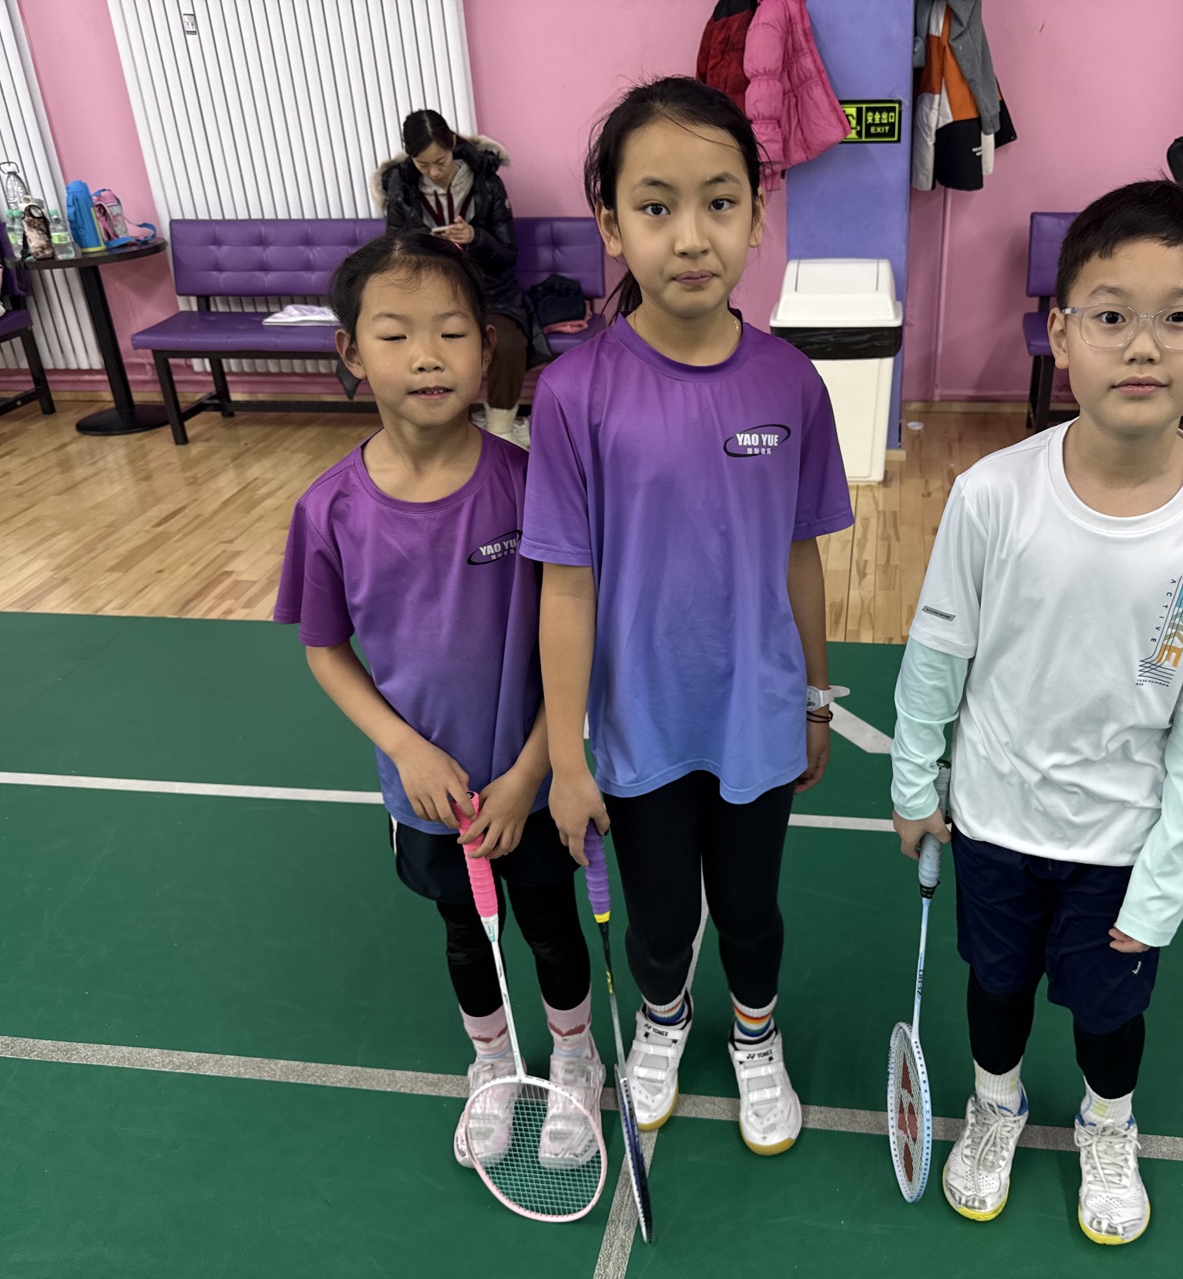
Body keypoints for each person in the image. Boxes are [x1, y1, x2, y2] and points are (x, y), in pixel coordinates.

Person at [890, 181, 1183, 1242]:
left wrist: (1163, 886)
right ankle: (996, 1102)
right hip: (995, 821)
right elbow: (937, 655)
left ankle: (1109, 1119)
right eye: (1110, 315)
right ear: (1062, 334)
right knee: (996, 986)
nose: (1141, 345)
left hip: (1121, 842)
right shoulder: (992, 494)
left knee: (1111, 1012)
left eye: (1178, 316)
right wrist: (914, 782)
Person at [521, 78, 852, 1157]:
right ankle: (663, 1019)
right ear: (611, 223)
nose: (691, 236)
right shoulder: (573, 393)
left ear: (757, 215)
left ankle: (756, 1031)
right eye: (655, 206)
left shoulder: (792, 384)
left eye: (719, 201)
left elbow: (800, 555)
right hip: (639, 726)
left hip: (755, 712)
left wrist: (816, 698)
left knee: (750, 909)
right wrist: (565, 757)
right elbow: (565, 583)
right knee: (660, 916)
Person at [273, 231, 601, 1175]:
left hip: (530, 783)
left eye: (452, 333)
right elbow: (326, 650)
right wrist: (406, 750)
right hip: (429, 797)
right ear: (350, 351)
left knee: (550, 925)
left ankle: (575, 1058)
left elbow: (575, 641)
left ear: (486, 347)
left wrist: (532, 772)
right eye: (396, 335)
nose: (427, 357)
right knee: (465, 932)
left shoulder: (530, 487)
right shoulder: (328, 510)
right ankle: (492, 1062)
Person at [372, 110, 539, 448]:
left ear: (452, 146)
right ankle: (445, 428)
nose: (434, 172)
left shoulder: (486, 181)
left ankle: (500, 428)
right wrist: (425, 245)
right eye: (423, 165)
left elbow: (508, 254)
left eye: (441, 161)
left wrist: (475, 237)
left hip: (490, 291)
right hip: (427, 295)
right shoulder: (402, 188)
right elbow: (393, 253)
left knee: (506, 339)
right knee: (427, 345)